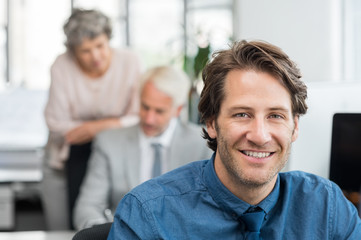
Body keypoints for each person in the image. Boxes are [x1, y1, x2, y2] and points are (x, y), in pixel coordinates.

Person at [107, 40, 361, 239]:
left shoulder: (327, 206)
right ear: (210, 122)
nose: (260, 136)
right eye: (242, 114)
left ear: (294, 127)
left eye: (275, 115)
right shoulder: (149, 213)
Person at [73, 66, 213, 230]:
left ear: (178, 110)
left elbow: (210, 209)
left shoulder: (202, 143)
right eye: (145, 107)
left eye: (159, 111)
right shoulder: (109, 143)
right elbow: (87, 208)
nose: (149, 119)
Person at [42, 9, 142, 230]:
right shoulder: (61, 65)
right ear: (73, 51)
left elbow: (138, 118)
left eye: (100, 46)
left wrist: (93, 128)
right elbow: (57, 124)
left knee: (112, 227)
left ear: (109, 39)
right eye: (85, 51)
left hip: (116, 156)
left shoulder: (130, 61)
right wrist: (116, 123)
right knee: (63, 230)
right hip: (65, 159)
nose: (95, 56)